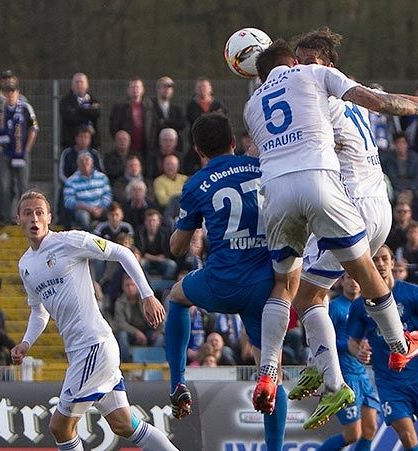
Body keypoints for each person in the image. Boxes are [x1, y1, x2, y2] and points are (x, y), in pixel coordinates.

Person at [244, 37, 418, 429]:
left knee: (308, 289)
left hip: (348, 200)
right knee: (313, 291)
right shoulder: (338, 90)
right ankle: (322, 366)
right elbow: (393, 98)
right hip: (378, 205)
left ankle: (361, 362)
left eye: (311, 61)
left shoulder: (307, 90)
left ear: (327, 64)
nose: (304, 65)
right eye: (301, 60)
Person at [10, 190, 177, 451]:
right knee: (124, 424)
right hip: (81, 351)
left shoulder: (70, 241)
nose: (35, 218)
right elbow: (39, 311)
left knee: (60, 426)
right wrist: (26, 343)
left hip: (94, 346)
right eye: (28, 213)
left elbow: (123, 252)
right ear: (18, 218)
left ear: (49, 217)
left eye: (40, 212)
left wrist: (147, 295)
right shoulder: (26, 265)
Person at [163, 113, 287, 450]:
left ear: (199, 150)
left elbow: (176, 249)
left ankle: (177, 382)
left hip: (221, 283)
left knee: (176, 296)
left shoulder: (196, 183)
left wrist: (190, 227)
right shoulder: (262, 167)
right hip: (265, 285)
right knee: (269, 368)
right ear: (233, 142)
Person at [347, 245, 418, 451]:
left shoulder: (412, 293)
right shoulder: (360, 304)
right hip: (389, 381)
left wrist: (415, 337)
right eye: (375, 260)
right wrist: (360, 352)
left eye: (384, 259)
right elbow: (352, 342)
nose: (380, 264)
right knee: (407, 435)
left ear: (393, 263)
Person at [316, 274, 380, 451]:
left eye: (356, 278)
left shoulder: (367, 307)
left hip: (363, 375)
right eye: (349, 278)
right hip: (344, 377)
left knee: (370, 429)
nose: (354, 282)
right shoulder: (335, 307)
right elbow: (322, 341)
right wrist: (350, 346)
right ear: (341, 281)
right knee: (353, 434)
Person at [0, 79, 39, 225]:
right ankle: (5, 216)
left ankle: (24, 217)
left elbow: (34, 129)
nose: (10, 94)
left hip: (21, 151)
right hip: (5, 153)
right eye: (7, 91)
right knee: (4, 186)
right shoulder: (0, 110)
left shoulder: (26, 108)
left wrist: (27, 149)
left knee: (23, 186)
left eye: (12, 91)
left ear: (18, 93)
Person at [109, 77, 158, 179]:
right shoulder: (120, 106)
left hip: (145, 147)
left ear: (142, 89)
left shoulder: (149, 106)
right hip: (127, 148)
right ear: (128, 90)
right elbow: (113, 126)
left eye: (137, 87)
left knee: (144, 173)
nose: (135, 89)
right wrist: (121, 140)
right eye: (132, 87)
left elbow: (154, 125)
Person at [113, 274, 164, 362]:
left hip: (148, 330)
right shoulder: (120, 302)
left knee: (160, 338)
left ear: (136, 286)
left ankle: (153, 363)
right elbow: (119, 323)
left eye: (132, 285)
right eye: (127, 285)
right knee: (122, 335)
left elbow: (160, 316)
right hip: (130, 333)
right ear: (123, 287)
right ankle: (127, 362)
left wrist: (159, 331)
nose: (130, 288)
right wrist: (136, 332)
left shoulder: (146, 301)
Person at [185, 78, 227, 174]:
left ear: (210, 89)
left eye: (204, 86)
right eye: (199, 87)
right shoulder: (191, 106)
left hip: (217, 145)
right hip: (197, 145)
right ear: (195, 90)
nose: (202, 89)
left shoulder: (218, 105)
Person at [62, 151, 112, 231]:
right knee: (83, 216)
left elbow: (107, 195)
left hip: (101, 208)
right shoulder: (71, 181)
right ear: (77, 164)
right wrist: (89, 208)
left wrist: (101, 208)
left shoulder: (102, 177)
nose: (85, 163)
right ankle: (91, 237)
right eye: (81, 161)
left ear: (92, 162)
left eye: (87, 160)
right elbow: (68, 201)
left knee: (113, 214)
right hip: (83, 210)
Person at [59, 73, 101, 149]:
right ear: (72, 86)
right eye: (76, 82)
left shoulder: (93, 100)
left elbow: (96, 114)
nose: (79, 84)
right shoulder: (65, 101)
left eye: (81, 82)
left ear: (87, 85)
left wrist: (77, 109)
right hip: (70, 143)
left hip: (92, 144)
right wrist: (88, 112)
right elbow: (69, 118)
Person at [151, 76, 186, 154]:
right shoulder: (150, 107)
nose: (167, 90)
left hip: (175, 149)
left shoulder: (176, 109)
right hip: (155, 148)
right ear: (158, 89)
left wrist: (164, 121)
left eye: (169, 87)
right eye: (164, 86)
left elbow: (182, 124)